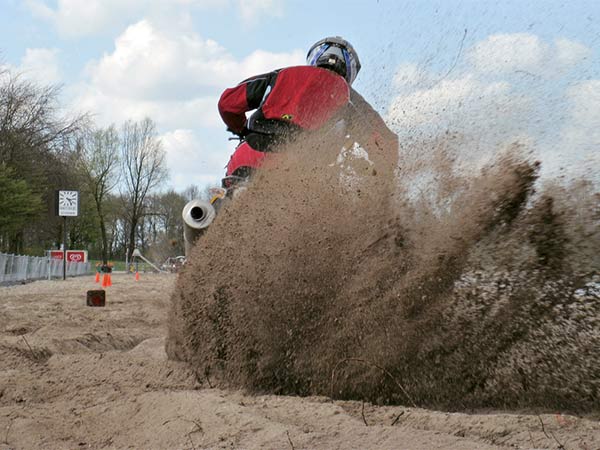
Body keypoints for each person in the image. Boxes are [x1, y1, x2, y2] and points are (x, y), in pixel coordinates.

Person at [217, 36, 398, 188]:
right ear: (350, 70)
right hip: (304, 177)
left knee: (222, 202)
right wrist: (384, 177)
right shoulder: (348, 96)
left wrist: (241, 129)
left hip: (250, 157)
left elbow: (227, 104)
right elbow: (383, 142)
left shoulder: (280, 75)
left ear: (315, 57)